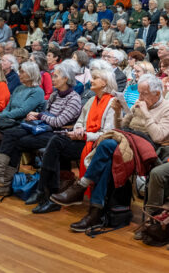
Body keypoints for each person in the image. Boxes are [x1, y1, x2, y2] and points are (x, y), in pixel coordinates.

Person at [52, 74, 169, 232]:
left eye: (144, 93)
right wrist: (117, 112)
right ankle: (95, 212)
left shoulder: (166, 108)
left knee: (107, 144)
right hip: (125, 141)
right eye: (139, 93)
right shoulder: (141, 102)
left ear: (157, 93)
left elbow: (159, 136)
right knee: (108, 159)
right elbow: (121, 128)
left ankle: (82, 187)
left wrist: (146, 113)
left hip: (146, 149)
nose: (140, 97)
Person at [0, 60, 82, 198]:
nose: (52, 78)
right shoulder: (54, 95)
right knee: (11, 134)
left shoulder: (74, 99)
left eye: (56, 76)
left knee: (16, 140)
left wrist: (39, 115)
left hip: (57, 134)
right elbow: (48, 116)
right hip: (44, 128)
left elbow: (58, 122)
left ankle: (5, 182)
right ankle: (1, 178)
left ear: (66, 79)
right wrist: (36, 118)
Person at [32, 67, 117, 213]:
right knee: (56, 141)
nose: (91, 81)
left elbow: (108, 133)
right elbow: (80, 121)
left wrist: (84, 135)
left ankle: (45, 194)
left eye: (95, 78)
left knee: (55, 144)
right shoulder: (91, 100)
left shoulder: (113, 103)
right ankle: (49, 194)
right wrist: (78, 129)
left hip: (97, 144)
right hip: (83, 138)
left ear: (105, 83)